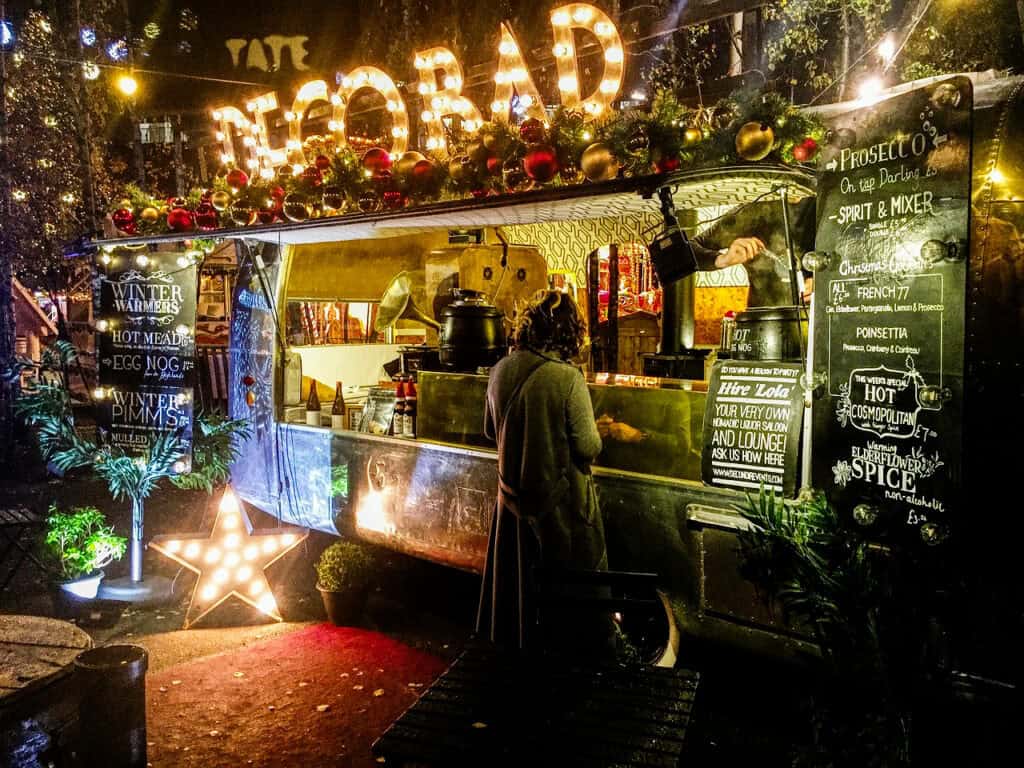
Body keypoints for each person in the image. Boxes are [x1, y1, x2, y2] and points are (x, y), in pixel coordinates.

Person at [476, 290, 607, 652]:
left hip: (511, 508)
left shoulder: (500, 369)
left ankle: (519, 666)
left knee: (519, 597)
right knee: (567, 608)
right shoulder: (567, 378)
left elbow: (490, 430)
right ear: (569, 331)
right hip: (559, 513)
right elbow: (588, 446)